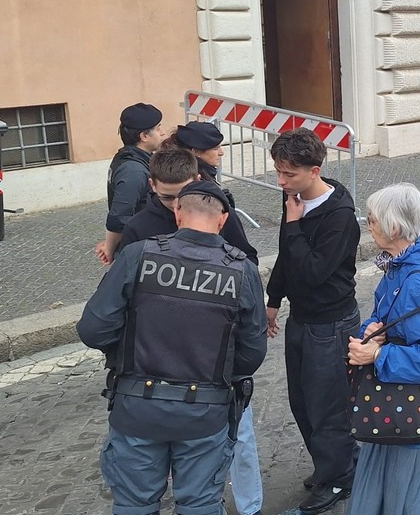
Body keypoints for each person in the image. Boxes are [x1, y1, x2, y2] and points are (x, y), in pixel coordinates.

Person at [78, 180, 267, 515]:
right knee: (200, 505)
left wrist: (128, 349)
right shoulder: (242, 270)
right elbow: (251, 355)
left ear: (177, 212)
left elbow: (93, 329)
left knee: (134, 505)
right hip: (204, 414)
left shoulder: (138, 254)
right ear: (224, 220)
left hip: (137, 407)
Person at [347, 183, 420, 515]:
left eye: (372, 219)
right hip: (399, 410)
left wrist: (378, 355)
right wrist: (372, 328)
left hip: (414, 418)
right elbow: (390, 317)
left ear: (394, 228)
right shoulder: (404, 263)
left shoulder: (415, 280)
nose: (368, 225)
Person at [265, 128, 362, 514]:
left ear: (314, 170)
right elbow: (286, 258)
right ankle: (334, 461)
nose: (281, 181)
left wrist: (293, 225)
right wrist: (273, 299)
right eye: (278, 171)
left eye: (289, 174)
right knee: (302, 402)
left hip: (331, 323)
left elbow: (312, 272)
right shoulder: (293, 199)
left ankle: (338, 477)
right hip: (302, 319)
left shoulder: (339, 216)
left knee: (327, 406)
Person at [153, 123, 259, 261]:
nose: (221, 152)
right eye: (215, 148)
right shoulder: (204, 190)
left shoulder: (206, 176)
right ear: (195, 152)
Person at [96, 103, 167, 265]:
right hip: (139, 250)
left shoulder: (129, 157)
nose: (162, 132)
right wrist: (110, 247)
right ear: (144, 136)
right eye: (158, 128)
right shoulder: (133, 170)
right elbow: (118, 218)